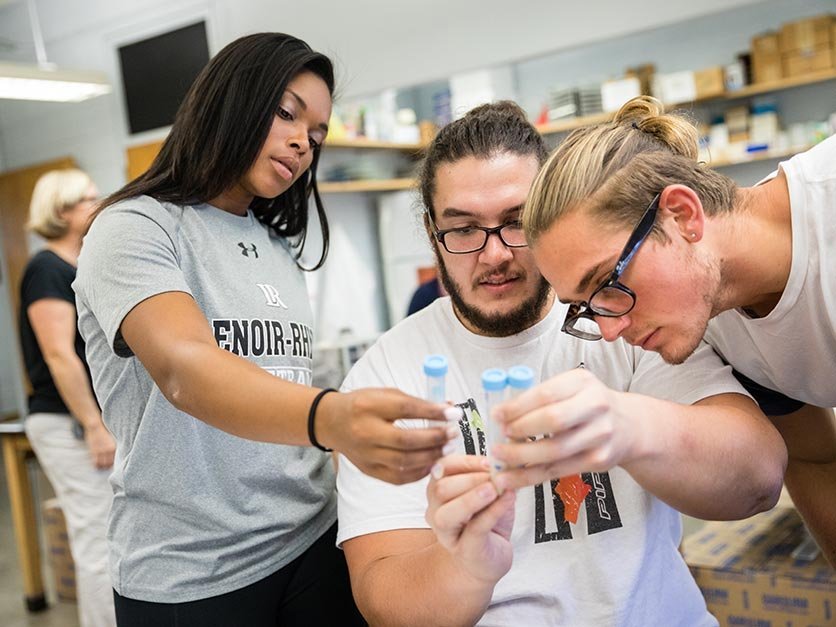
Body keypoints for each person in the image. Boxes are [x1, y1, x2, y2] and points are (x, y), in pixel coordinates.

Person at [336, 102, 786, 625]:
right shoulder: (385, 373)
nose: (495, 254)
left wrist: (628, 426)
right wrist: (464, 567)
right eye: (462, 230)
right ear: (431, 230)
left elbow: (759, 478)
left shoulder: (624, 315)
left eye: (516, 222)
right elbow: (385, 602)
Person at [73, 33, 452, 626]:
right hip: (193, 570)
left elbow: (281, 384)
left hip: (311, 539)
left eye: (318, 134)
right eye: (286, 113)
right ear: (233, 98)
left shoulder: (277, 247)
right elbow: (184, 368)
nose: (303, 142)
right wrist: (335, 419)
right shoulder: (133, 229)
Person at [522, 95, 836, 566]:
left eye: (608, 283)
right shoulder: (707, 325)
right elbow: (816, 457)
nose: (609, 331)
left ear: (683, 216)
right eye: (586, 308)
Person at [20, 169, 116, 627]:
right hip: (66, 422)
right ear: (61, 211)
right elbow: (59, 356)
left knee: (114, 535)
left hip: (89, 420)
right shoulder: (46, 268)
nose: (98, 205)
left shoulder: (84, 265)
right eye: (88, 199)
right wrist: (95, 426)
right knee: (97, 538)